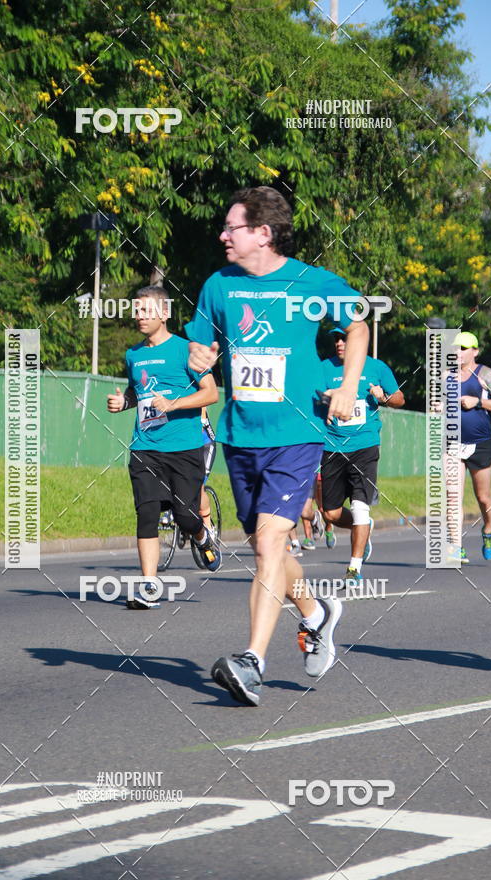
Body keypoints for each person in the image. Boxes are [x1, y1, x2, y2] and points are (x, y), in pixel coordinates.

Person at [185, 186, 369, 705]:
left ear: (262, 234)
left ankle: (252, 662)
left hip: (297, 434)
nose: (222, 235)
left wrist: (350, 385)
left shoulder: (313, 283)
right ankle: (317, 613)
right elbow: (203, 345)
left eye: (232, 227)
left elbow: (357, 327)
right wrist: (199, 358)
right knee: (269, 547)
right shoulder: (218, 285)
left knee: (270, 544)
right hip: (241, 436)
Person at [107, 285, 221, 609]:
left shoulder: (187, 351)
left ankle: (202, 536)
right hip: (145, 447)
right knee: (146, 514)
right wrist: (123, 401)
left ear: (165, 313)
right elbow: (137, 391)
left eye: (146, 311)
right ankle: (149, 586)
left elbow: (211, 393)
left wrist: (174, 404)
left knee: (186, 516)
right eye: (137, 310)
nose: (139, 316)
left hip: (184, 448)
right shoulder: (133, 354)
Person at [321, 328, 405, 583]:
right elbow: (311, 397)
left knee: (359, 508)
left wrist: (384, 396)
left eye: (344, 338)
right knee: (331, 514)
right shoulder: (324, 368)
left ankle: (354, 567)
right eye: (336, 338)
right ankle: (363, 529)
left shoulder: (377, 367)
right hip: (332, 446)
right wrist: (326, 398)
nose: (339, 343)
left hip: (365, 446)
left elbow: (400, 399)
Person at [454, 331, 491, 562]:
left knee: (483, 497)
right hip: (453, 443)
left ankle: (488, 530)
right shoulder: (445, 376)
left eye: (464, 347)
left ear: (474, 351)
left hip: (481, 444)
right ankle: (456, 546)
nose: (458, 352)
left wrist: (477, 401)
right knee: (453, 497)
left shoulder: (485, 374)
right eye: (455, 347)